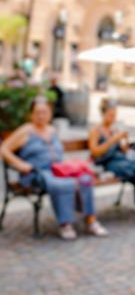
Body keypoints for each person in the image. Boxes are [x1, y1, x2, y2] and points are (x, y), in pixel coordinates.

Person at [0, 97, 108, 240]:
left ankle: (90, 220)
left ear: (50, 114)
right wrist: (19, 164)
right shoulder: (26, 130)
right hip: (36, 174)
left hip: (57, 170)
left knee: (85, 179)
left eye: (44, 112)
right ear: (31, 114)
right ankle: (65, 224)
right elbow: (3, 149)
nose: (41, 116)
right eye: (37, 112)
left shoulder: (52, 130)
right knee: (63, 184)